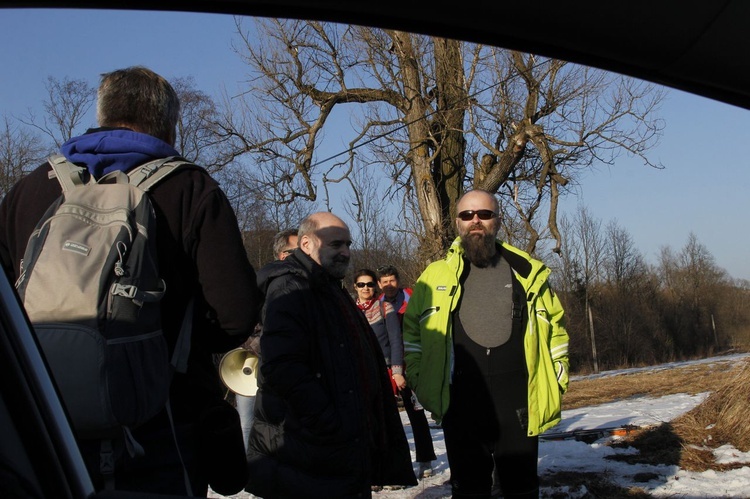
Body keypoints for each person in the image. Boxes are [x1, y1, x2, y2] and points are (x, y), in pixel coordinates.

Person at [0, 66, 261, 496]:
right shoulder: (191, 189)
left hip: (46, 424)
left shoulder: (32, 188)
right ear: (169, 124)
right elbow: (235, 315)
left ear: (102, 113)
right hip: (162, 429)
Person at [403, 189, 570, 499]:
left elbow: (556, 330)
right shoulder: (434, 276)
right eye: (467, 215)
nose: (475, 221)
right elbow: (412, 334)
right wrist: (419, 378)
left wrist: (558, 376)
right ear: (457, 223)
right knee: (469, 490)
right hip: (461, 403)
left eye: (484, 214)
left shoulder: (527, 271)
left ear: (498, 220)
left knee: (522, 489)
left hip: (518, 401)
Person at [245, 212, 416, 498]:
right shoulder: (290, 288)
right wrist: (329, 421)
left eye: (348, 244)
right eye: (336, 244)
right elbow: (283, 367)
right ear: (307, 244)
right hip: (310, 452)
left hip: (336, 450)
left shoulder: (327, 287)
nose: (346, 252)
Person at [235, 228, 298, 451]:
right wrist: (260, 346)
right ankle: (249, 468)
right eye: (296, 251)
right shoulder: (262, 286)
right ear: (282, 255)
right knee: (248, 420)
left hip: (286, 367)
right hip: (252, 365)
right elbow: (242, 324)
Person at [375, 265, 437, 479]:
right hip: (387, 367)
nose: (389, 285)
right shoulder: (378, 304)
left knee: (416, 413)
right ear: (379, 284)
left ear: (398, 281)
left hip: (411, 364)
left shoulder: (412, 298)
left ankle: (425, 459)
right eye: (384, 281)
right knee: (385, 417)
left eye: (392, 280)